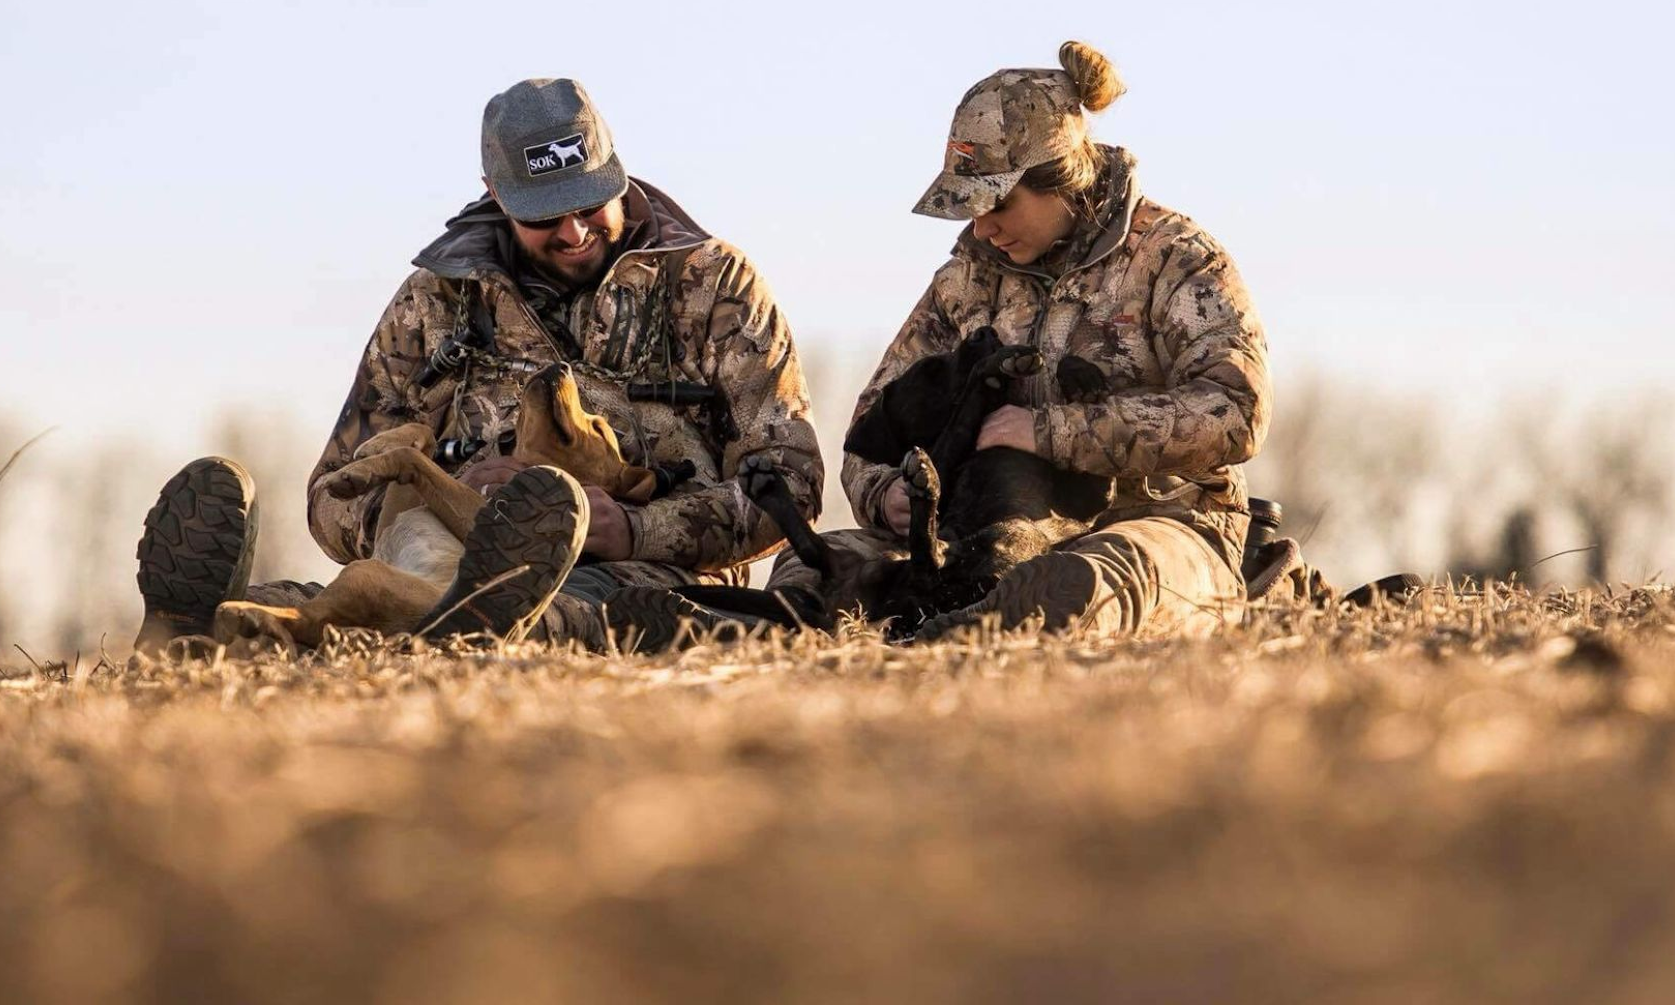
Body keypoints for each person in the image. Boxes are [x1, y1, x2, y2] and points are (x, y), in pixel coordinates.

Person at [131, 77, 823, 652]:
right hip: (441, 559)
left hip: (643, 576)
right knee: (329, 605)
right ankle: (193, 628)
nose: (575, 233)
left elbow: (790, 484)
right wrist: (454, 496)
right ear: (495, 194)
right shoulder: (435, 299)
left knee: (571, 621)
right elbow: (331, 495)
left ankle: (443, 626)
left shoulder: (717, 285)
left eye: (588, 204)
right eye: (546, 216)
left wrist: (631, 526)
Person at [770, 40, 1270, 640]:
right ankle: (758, 632)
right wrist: (888, 496)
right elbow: (871, 429)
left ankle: (973, 630)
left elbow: (1237, 412)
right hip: (977, 535)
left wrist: (1050, 435)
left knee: (1099, 577)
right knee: (813, 561)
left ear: (1060, 178)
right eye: (969, 206)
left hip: (1158, 523)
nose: (981, 226)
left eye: (997, 202)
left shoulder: (1177, 258)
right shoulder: (966, 277)